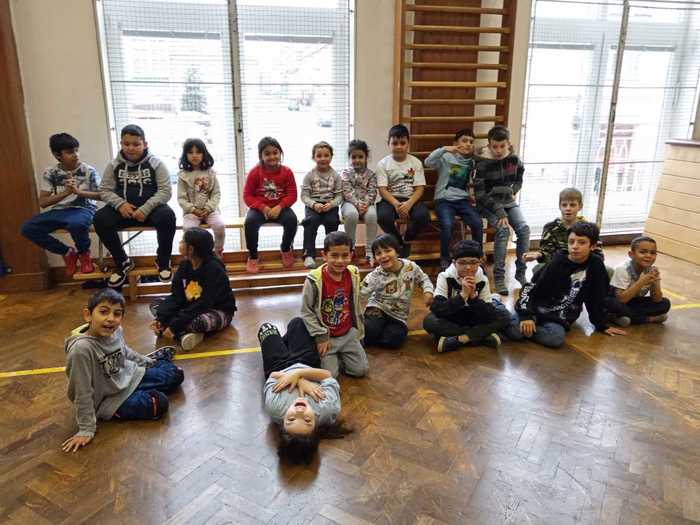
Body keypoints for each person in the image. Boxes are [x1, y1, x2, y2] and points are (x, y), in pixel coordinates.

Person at [62, 289, 184, 453]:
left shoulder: (116, 330)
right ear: (88, 315)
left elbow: (124, 351)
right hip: (109, 400)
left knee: (176, 374)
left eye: (117, 314)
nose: (110, 318)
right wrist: (86, 429)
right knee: (159, 403)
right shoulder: (81, 350)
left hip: (128, 376)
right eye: (103, 312)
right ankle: (151, 379)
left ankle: (154, 364)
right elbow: (81, 391)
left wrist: (146, 362)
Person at [505, 222, 626, 348]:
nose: (575, 246)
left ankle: (515, 326)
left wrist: (601, 324)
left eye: (582, 242)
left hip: (558, 317)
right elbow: (529, 289)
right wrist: (526, 316)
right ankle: (508, 317)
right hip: (535, 308)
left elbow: (596, 297)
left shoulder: (596, 265)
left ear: (593, 246)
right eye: (571, 242)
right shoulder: (557, 262)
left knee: (556, 338)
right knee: (516, 331)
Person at [93, 124, 176, 288]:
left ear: (145, 144)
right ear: (121, 144)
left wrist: (146, 208)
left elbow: (165, 191)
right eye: (126, 144)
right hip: (123, 211)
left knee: (167, 216)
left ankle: (163, 260)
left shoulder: (156, 164)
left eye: (136, 144)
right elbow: (104, 190)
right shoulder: (113, 165)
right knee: (100, 218)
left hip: (150, 211)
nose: (130, 148)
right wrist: (120, 204)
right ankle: (122, 261)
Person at [257, 321, 351, 465]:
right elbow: (327, 375)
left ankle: (284, 343)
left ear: (282, 425)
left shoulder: (275, 408)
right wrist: (300, 374)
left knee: (266, 328)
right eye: (307, 420)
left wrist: (299, 380)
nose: (299, 411)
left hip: (279, 366)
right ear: (316, 429)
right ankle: (286, 342)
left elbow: (273, 376)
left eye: (291, 419)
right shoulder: (327, 408)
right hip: (307, 363)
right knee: (298, 323)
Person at [21, 133, 100, 276]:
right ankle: (67, 252)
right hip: (59, 211)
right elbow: (43, 203)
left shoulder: (89, 171)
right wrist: (66, 192)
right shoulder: (50, 172)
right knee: (28, 228)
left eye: (76, 150)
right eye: (70, 152)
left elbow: (101, 195)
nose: (76, 155)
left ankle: (84, 254)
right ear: (57, 155)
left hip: (84, 209)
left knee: (76, 224)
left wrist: (78, 192)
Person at [149, 228, 236, 351]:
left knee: (199, 322)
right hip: (190, 307)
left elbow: (204, 304)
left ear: (191, 249)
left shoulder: (214, 269)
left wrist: (174, 325)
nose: (180, 243)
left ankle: (179, 332)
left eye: (182, 241)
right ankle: (185, 334)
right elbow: (176, 296)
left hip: (217, 310)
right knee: (156, 304)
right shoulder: (184, 265)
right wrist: (160, 319)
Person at [300, 231, 368, 378]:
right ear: (324, 255)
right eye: (334, 255)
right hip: (327, 337)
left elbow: (355, 302)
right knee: (330, 375)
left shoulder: (354, 273)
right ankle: (332, 357)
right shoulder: (314, 279)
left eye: (345, 255)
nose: (340, 261)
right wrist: (320, 336)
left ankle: (343, 356)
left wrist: (357, 331)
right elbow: (306, 311)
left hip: (348, 334)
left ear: (351, 255)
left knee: (361, 370)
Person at [423, 240, 511, 352]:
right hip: (453, 316)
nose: (468, 267)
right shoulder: (445, 277)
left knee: (504, 316)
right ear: (454, 262)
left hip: (473, 316)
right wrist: (462, 295)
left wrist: (473, 297)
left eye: (473, 262)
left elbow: (488, 313)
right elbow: (438, 309)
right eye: (462, 262)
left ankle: (460, 339)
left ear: (480, 262)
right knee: (429, 321)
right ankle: (482, 336)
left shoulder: (482, 279)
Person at [474, 125, 530, 295]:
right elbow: (480, 194)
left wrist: (514, 189)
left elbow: (519, 176)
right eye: (494, 146)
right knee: (503, 230)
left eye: (502, 146)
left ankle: (521, 273)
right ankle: (499, 277)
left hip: (508, 202)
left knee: (524, 229)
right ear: (489, 145)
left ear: (508, 144)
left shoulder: (513, 160)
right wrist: (499, 211)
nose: (498, 150)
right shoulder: (482, 163)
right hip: (488, 205)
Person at [361, 233, 434, 348]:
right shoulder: (376, 275)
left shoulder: (410, 267)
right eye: (378, 253)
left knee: (395, 338)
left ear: (397, 252)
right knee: (370, 330)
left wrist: (428, 291)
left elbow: (423, 279)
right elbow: (360, 291)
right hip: (378, 309)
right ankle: (374, 331)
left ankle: (379, 333)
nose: (383, 255)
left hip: (398, 315)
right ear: (375, 258)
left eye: (387, 250)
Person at [424, 128, 483, 270]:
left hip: (462, 201)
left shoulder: (472, 161)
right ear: (455, 143)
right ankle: (445, 259)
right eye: (464, 140)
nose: (468, 144)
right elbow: (428, 162)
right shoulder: (446, 157)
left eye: (471, 142)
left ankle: (477, 258)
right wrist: (444, 149)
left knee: (477, 223)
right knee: (447, 225)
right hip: (444, 200)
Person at [243, 137, 298, 273]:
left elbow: (292, 195)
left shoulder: (287, 172)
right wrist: (263, 208)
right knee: (250, 222)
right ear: (261, 156)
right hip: (260, 209)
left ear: (280, 153)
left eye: (275, 152)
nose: (272, 156)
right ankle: (253, 256)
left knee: (292, 220)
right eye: (267, 154)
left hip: (280, 207)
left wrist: (280, 206)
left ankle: (285, 249)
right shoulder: (255, 172)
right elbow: (247, 196)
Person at [376, 124, 430, 258]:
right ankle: (398, 242)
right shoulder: (383, 164)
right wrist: (396, 204)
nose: (399, 146)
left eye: (402, 143)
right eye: (395, 143)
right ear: (388, 144)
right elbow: (382, 190)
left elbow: (419, 188)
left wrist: (408, 204)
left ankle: (407, 238)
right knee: (382, 217)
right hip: (390, 199)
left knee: (423, 217)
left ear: (408, 144)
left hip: (411, 199)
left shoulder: (416, 163)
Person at [523, 187, 603, 276]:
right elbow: (546, 254)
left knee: (606, 271)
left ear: (580, 206)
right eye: (564, 205)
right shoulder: (550, 227)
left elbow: (598, 255)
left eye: (572, 205)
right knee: (538, 268)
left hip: (582, 268)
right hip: (558, 267)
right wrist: (539, 255)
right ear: (559, 206)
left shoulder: (589, 228)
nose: (568, 208)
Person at [605, 236, 670, 326]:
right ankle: (648, 319)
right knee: (611, 303)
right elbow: (621, 299)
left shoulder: (651, 270)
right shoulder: (623, 269)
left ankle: (620, 317)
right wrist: (641, 282)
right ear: (631, 254)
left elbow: (657, 299)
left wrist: (656, 282)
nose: (648, 256)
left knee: (665, 303)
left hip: (632, 302)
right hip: (618, 301)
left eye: (652, 253)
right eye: (643, 252)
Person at [177, 138, 225, 259]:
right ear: (185, 155)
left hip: (210, 211)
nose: (194, 155)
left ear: (204, 154)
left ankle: (218, 251)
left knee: (220, 226)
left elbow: (216, 194)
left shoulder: (210, 173)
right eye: (190, 152)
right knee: (188, 229)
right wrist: (193, 210)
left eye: (198, 152)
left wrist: (208, 208)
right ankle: (190, 255)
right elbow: (181, 198)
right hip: (191, 212)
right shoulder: (183, 175)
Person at [301, 141, 343, 269]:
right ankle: (309, 254)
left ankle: (332, 253)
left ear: (331, 157)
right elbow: (304, 196)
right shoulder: (309, 175)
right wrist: (314, 204)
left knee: (332, 221)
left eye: (326, 155)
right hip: (313, 205)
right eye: (319, 156)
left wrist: (331, 204)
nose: (323, 158)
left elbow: (339, 196)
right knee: (310, 221)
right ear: (313, 157)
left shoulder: (336, 176)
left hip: (330, 205)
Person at [340, 139, 378, 266]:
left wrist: (366, 203)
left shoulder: (371, 175)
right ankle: (350, 249)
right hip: (349, 203)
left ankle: (370, 251)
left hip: (367, 204)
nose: (357, 160)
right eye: (354, 157)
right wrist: (357, 204)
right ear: (349, 158)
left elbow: (372, 191)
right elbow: (347, 191)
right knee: (352, 215)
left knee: (372, 215)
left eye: (360, 157)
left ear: (366, 157)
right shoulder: (346, 173)